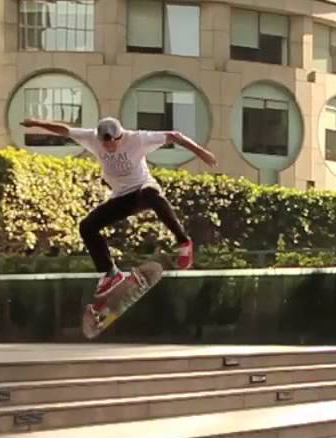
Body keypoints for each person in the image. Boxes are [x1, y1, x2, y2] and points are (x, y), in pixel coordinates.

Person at [18, 116, 217, 302]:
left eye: (111, 143)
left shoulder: (137, 139)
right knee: (87, 226)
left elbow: (174, 136)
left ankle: (183, 242)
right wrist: (36, 122)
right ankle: (110, 273)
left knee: (151, 194)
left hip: (141, 189)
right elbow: (65, 130)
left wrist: (201, 152)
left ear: (119, 137)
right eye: (104, 144)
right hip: (121, 197)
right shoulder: (92, 138)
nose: (107, 147)